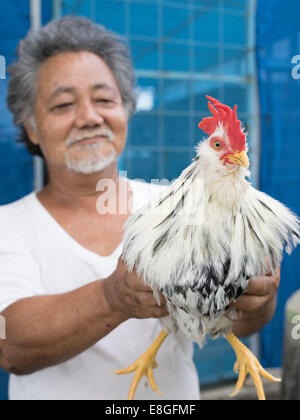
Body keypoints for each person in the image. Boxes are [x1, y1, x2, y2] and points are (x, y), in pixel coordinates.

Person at [0, 16, 280, 400]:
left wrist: (258, 299)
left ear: (127, 109)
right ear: (30, 126)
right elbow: (9, 346)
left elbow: (249, 319)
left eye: (104, 99)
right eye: (64, 104)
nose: (89, 117)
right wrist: (113, 298)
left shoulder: (179, 202)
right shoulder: (8, 226)